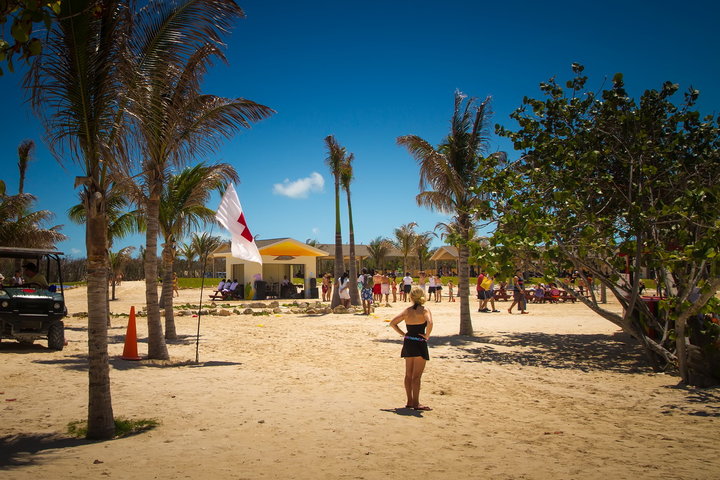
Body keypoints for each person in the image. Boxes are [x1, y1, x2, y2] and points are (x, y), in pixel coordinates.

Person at [389, 286, 433, 411]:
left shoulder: (407, 311)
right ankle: (416, 403)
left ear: (411, 297)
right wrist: (427, 335)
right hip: (419, 342)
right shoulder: (425, 310)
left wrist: (403, 334)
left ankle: (409, 401)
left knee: (408, 375)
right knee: (416, 376)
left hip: (408, 342)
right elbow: (430, 323)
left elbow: (393, 323)